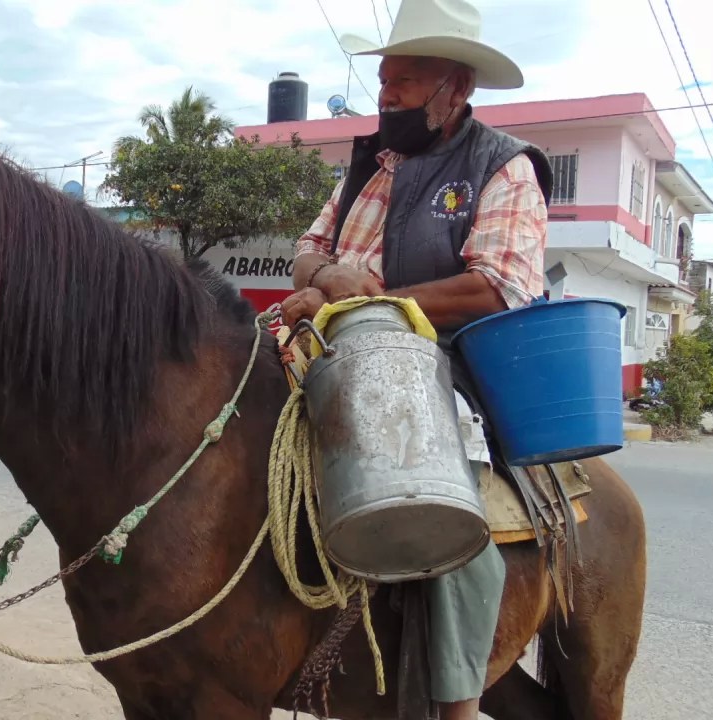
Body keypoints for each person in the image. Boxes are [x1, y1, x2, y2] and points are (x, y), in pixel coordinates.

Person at [279, 1, 555, 718]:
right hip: (321, 350)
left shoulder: (504, 167)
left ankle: (456, 702)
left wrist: (368, 300)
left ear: (456, 88)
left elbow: (498, 288)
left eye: (405, 80)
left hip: (435, 366)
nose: (386, 93)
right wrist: (330, 279)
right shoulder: (372, 165)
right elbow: (308, 249)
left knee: (436, 509)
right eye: (383, 79)